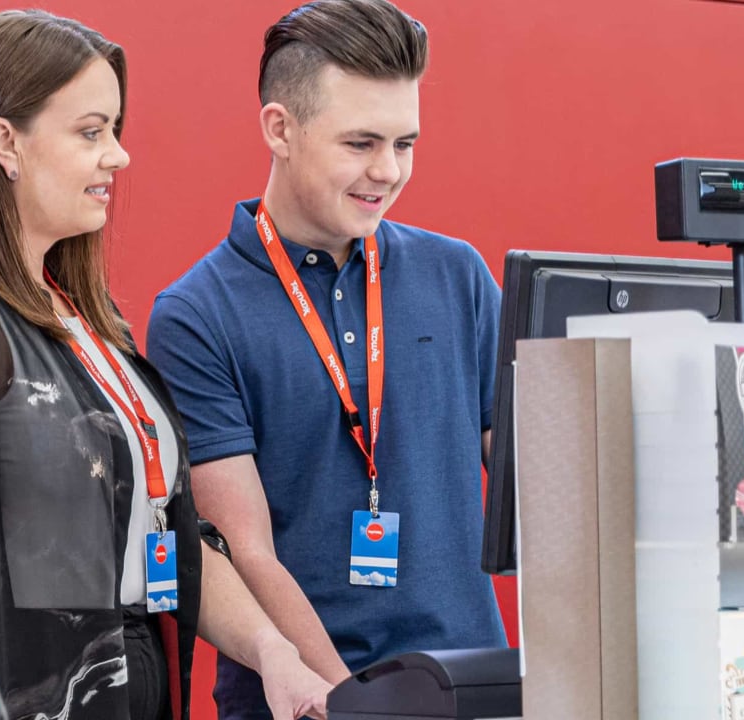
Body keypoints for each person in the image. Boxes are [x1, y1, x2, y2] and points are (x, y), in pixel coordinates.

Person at [0, 10, 329, 720]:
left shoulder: (92, 316)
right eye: (91, 132)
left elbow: (174, 540)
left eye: (115, 129)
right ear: (4, 142)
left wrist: (275, 655)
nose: (118, 155)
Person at [146, 1, 509, 718]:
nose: (388, 170)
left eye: (405, 143)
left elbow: (536, 493)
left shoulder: (458, 275)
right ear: (279, 128)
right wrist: (350, 700)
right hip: (304, 701)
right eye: (361, 143)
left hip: (472, 688)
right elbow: (243, 551)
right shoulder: (196, 314)